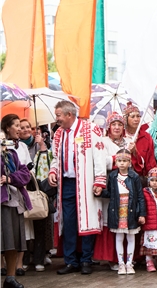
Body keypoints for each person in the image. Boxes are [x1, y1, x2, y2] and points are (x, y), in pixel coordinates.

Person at [47, 100, 107, 275]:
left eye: (58, 115)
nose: (56, 118)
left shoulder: (90, 129)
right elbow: (55, 157)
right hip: (66, 183)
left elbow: (99, 156)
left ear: (69, 115)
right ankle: (71, 261)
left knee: (88, 220)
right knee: (70, 223)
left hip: (86, 183)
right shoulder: (58, 134)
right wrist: (53, 171)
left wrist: (99, 181)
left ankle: (86, 260)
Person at [97, 148, 146, 275]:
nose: (122, 163)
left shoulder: (134, 177)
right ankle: (121, 264)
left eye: (125, 161)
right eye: (119, 161)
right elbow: (110, 193)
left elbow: (140, 196)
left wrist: (141, 213)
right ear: (116, 162)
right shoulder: (112, 176)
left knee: (130, 237)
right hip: (117, 210)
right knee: (119, 237)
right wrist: (101, 192)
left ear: (129, 162)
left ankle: (129, 263)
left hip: (130, 210)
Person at [19, 119, 52, 273]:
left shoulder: (41, 142)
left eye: (28, 127)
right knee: (24, 225)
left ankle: (40, 256)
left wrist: (42, 145)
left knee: (40, 220)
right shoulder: (16, 145)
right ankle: (25, 257)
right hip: (21, 186)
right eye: (22, 127)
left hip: (39, 185)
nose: (26, 130)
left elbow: (49, 161)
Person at [1, 115, 33, 277]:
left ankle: (11, 277)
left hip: (14, 199)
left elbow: (25, 174)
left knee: (12, 242)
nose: (20, 129)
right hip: (3, 201)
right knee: (4, 240)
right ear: (7, 128)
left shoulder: (12, 152)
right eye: (16, 126)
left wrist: (10, 178)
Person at [123, 102, 157, 179]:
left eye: (138, 116)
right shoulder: (120, 135)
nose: (136, 119)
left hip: (140, 178)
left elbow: (150, 160)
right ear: (125, 119)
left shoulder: (146, 137)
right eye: (132, 116)